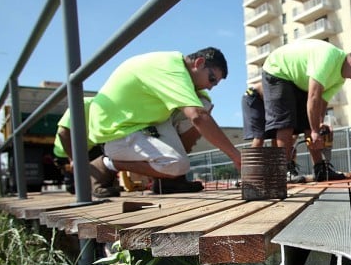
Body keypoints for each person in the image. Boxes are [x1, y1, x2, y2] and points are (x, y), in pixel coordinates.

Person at [86, 48, 241, 197]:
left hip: (143, 122)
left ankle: (171, 180)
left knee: (204, 103)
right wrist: (236, 156)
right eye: (211, 79)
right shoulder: (171, 70)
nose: (210, 87)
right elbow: (197, 117)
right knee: (178, 162)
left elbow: (201, 111)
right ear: (199, 63)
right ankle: (108, 163)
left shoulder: (179, 69)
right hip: (116, 130)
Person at [261, 39, 351, 182]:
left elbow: (322, 102)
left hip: (298, 80)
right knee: (286, 123)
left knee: (311, 124)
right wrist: (315, 131)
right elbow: (313, 96)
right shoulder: (329, 57)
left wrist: (319, 126)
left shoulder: (340, 79)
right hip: (278, 70)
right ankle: (284, 171)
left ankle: (320, 169)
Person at [53, 97, 102, 194]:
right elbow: (63, 133)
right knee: (74, 189)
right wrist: (74, 159)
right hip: (67, 150)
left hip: (88, 149)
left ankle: (100, 182)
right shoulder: (83, 104)